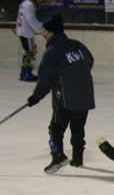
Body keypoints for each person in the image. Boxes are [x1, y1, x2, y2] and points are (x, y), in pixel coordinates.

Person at [26, 15, 95, 174]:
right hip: (85, 93)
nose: (42, 33)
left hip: (65, 97)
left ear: (51, 32)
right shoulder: (77, 45)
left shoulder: (52, 52)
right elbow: (89, 61)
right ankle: (77, 159)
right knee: (78, 127)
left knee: (55, 129)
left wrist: (35, 97)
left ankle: (57, 155)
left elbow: (45, 79)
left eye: (44, 30)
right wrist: (77, 76)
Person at [16, 0, 43, 82]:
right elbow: (32, 21)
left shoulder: (23, 3)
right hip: (26, 32)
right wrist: (42, 25)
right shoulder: (30, 5)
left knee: (28, 51)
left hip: (21, 31)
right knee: (31, 52)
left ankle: (24, 73)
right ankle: (27, 73)